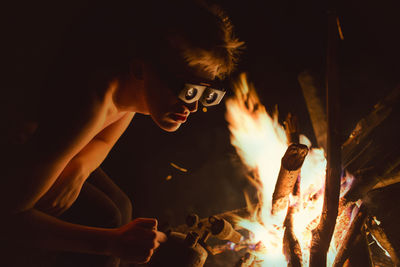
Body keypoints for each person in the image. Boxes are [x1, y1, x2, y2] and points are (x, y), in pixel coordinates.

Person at [1, 0, 243, 266]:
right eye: (187, 90)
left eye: (206, 94)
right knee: (106, 217)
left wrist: (80, 168)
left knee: (121, 205)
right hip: (15, 157)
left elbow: (103, 140)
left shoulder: (133, 95)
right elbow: (8, 218)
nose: (194, 105)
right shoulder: (93, 102)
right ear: (141, 69)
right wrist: (112, 242)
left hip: (51, 150)